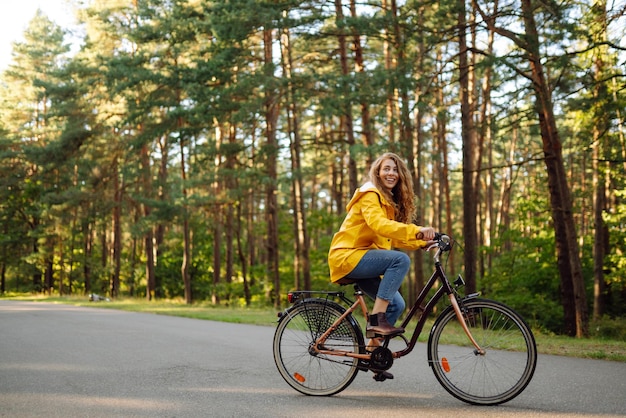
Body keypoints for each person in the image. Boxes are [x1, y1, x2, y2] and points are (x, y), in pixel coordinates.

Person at [328, 152, 435, 372]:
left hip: (363, 258)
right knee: (399, 260)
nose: (391, 173)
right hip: (347, 256)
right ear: (377, 172)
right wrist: (417, 231)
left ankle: (369, 355)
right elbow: (379, 225)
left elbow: (391, 235)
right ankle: (377, 319)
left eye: (395, 170)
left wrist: (422, 243)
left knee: (397, 305)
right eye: (386, 168)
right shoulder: (370, 193)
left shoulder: (387, 202)